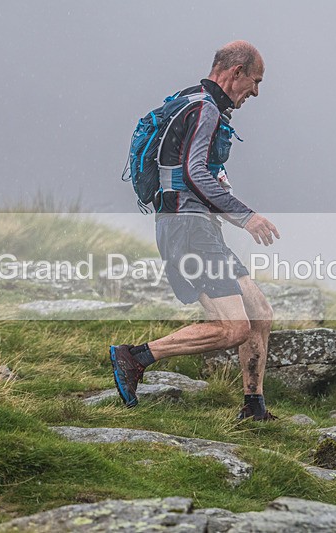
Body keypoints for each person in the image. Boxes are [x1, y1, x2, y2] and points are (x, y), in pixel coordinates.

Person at [110, 40, 280, 421]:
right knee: (234, 327)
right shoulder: (204, 108)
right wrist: (245, 215)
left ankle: (254, 409)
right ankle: (135, 356)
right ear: (236, 72)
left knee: (260, 314)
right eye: (255, 81)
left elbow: (195, 171)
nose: (255, 91)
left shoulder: (194, 100)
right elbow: (193, 172)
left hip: (197, 226)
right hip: (186, 229)